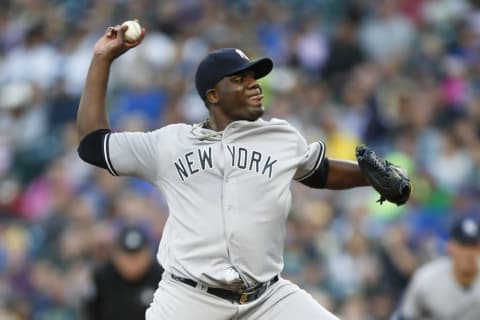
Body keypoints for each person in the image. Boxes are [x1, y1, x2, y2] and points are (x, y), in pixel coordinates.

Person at [76, 23, 405, 319]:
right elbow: (92, 143)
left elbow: (318, 172)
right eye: (240, 79)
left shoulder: (279, 136)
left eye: (254, 78)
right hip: (190, 298)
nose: (254, 85)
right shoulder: (170, 143)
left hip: (267, 298)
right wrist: (102, 59)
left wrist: (369, 178)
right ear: (213, 95)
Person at [397, 216, 480, 320]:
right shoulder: (427, 278)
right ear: (450, 247)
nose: (468, 253)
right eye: (462, 246)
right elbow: (405, 315)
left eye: (473, 247)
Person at [84, 225, 164, 320]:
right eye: (127, 256)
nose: (132, 262)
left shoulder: (161, 277)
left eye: (137, 256)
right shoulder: (102, 278)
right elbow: (91, 311)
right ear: (115, 255)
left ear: (148, 254)